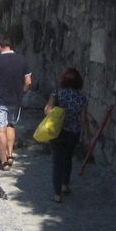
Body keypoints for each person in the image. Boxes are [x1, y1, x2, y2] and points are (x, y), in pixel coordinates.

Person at [0, 37, 32, 171]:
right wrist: (21, 93)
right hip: (16, 100)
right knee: (11, 125)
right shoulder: (22, 60)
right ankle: (10, 154)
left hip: (0, 99)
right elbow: (28, 82)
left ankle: (3, 162)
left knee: (1, 129)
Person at [45, 67, 87, 203]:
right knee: (68, 158)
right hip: (73, 132)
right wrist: (87, 133)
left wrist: (57, 113)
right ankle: (65, 185)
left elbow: (47, 110)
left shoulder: (57, 93)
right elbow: (82, 119)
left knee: (57, 161)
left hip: (57, 131)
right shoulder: (81, 97)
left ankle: (57, 194)